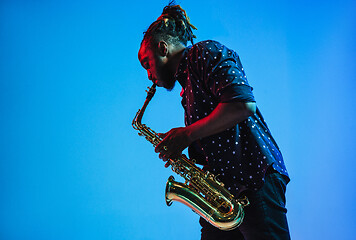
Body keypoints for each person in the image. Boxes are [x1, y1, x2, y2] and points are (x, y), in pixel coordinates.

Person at [138, 2, 291, 240]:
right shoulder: (186, 85)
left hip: (253, 178)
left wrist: (187, 135)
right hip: (224, 195)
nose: (149, 74)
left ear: (163, 48)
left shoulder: (203, 52)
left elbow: (243, 105)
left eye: (147, 63)